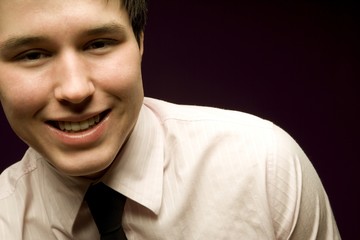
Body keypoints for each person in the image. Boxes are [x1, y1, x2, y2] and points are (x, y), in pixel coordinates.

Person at [0, 0, 340, 239]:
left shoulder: (263, 168)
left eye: (98, 44)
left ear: (140, 43)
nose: (75, 90)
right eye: (33, 55)